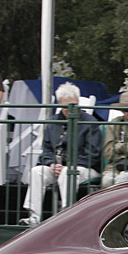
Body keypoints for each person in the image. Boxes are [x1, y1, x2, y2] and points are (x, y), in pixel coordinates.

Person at [20, 82, 103, 227]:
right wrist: (51, 163)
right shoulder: (53, 122)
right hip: (57, 166)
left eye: (74, 105)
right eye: (66, 106)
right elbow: (46, 149)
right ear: (59, 104)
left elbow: (93, 154)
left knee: (67, 173)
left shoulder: (90, 122)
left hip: (83, 167)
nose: (71, 110)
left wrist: (68, 165)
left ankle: (66, 216)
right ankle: (34, 217)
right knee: (36, 172)